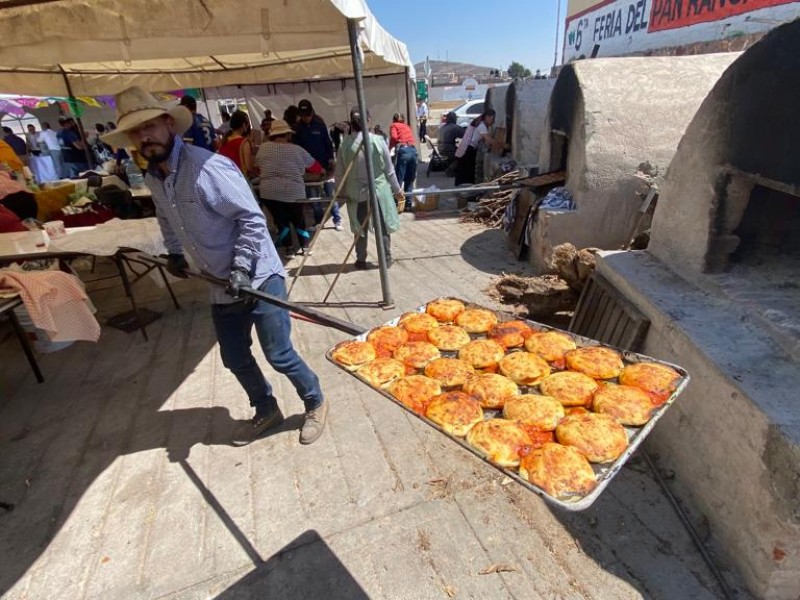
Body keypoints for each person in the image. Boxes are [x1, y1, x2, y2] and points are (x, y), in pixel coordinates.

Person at [102, 85, 328, 444]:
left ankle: (315, 401)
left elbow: (251, 220)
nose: (145, 137)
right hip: (218, 282)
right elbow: (165, 216)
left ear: (168, 124)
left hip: (258, 275)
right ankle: (266, 408)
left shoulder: (208, 167)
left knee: (279, 354)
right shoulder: (152, 177)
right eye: (136, 131)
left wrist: (241, 267)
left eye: (150, 127)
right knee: (234, 357)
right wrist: (175, 251)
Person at [336, 107, 403, 270]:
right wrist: (397, 190)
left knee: (360, 229)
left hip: (356, 192)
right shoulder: (378, 141)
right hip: (378, 192)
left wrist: (340, 193)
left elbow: (339, 173)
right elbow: (389, 170)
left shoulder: (345, 144)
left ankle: (361, 259)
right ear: (368, 120)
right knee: (383, 228)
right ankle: (386, 259)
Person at [255, 118, 323, 256]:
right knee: (298, 219)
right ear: (287, 134)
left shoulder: (263, 148)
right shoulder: (297, 150)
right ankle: (304, 246)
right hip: (293, 191)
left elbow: (257, 167)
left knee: (281, 221)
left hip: (269, 192)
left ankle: (289, 248)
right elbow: (316, 168)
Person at [293, 99, 342, 231]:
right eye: (303, 116)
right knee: (314, 197)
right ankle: (319, 220)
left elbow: (327, 142)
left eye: (308, 115)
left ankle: (337, 219)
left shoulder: (320, 125)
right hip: (308, 170)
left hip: (325, 166)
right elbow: (296, 149)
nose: (306, 118)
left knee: (330, 194)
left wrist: (331, 159)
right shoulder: (296, 129)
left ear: (312, 112)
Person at [454, 109, 496, 186]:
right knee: (467, 173)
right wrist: (503, 145)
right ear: (488, 117)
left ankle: (464, 192)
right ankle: (465, 193)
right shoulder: (482, 125)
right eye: (493, 120)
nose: (493, 122)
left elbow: (485, 141)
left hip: (468, 149)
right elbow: (489, 140)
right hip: (468, 150)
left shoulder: (480, 124)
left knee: (467, 172)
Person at [217, 110, 255, 177]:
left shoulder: (223, 141)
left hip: (226, 178)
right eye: (248, 123)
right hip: (239, 178)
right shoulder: (244, 142)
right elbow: (248, 167)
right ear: (244, 125)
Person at [388, 113, 417, 197]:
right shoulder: (407, 126)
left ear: (394, 119)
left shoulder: (394, 125)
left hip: (403, 151)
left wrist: (389, 148)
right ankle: (408, 204)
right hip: (413, 150)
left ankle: (396, 203)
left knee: (399, 178)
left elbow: (393, 137)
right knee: (409, 178)